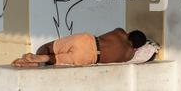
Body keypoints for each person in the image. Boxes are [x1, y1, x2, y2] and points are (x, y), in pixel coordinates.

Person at [11, 28, 147, 67]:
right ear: (136, 48)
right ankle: (43, 60)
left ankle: (39, 55)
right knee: (54, 59)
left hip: (87, 41)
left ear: (129, 34)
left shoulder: (120, 32)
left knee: (47, 47)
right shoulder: (128, 55)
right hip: (89, 58)